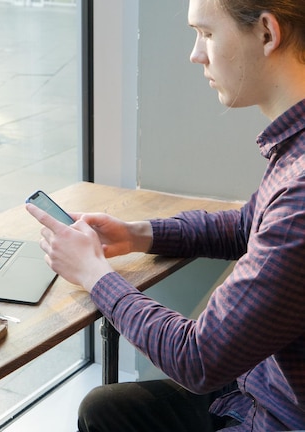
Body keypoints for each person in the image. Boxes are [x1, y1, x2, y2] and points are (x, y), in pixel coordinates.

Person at [26, 0, 305, 430]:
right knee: (103, 409)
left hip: (277, 415)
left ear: (267, 33)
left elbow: (199, 358)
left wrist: (96, 275)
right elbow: (247, 225)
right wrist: (137, 234)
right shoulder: (294, 151)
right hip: (259, 386)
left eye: (207, 34)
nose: (196, 53)